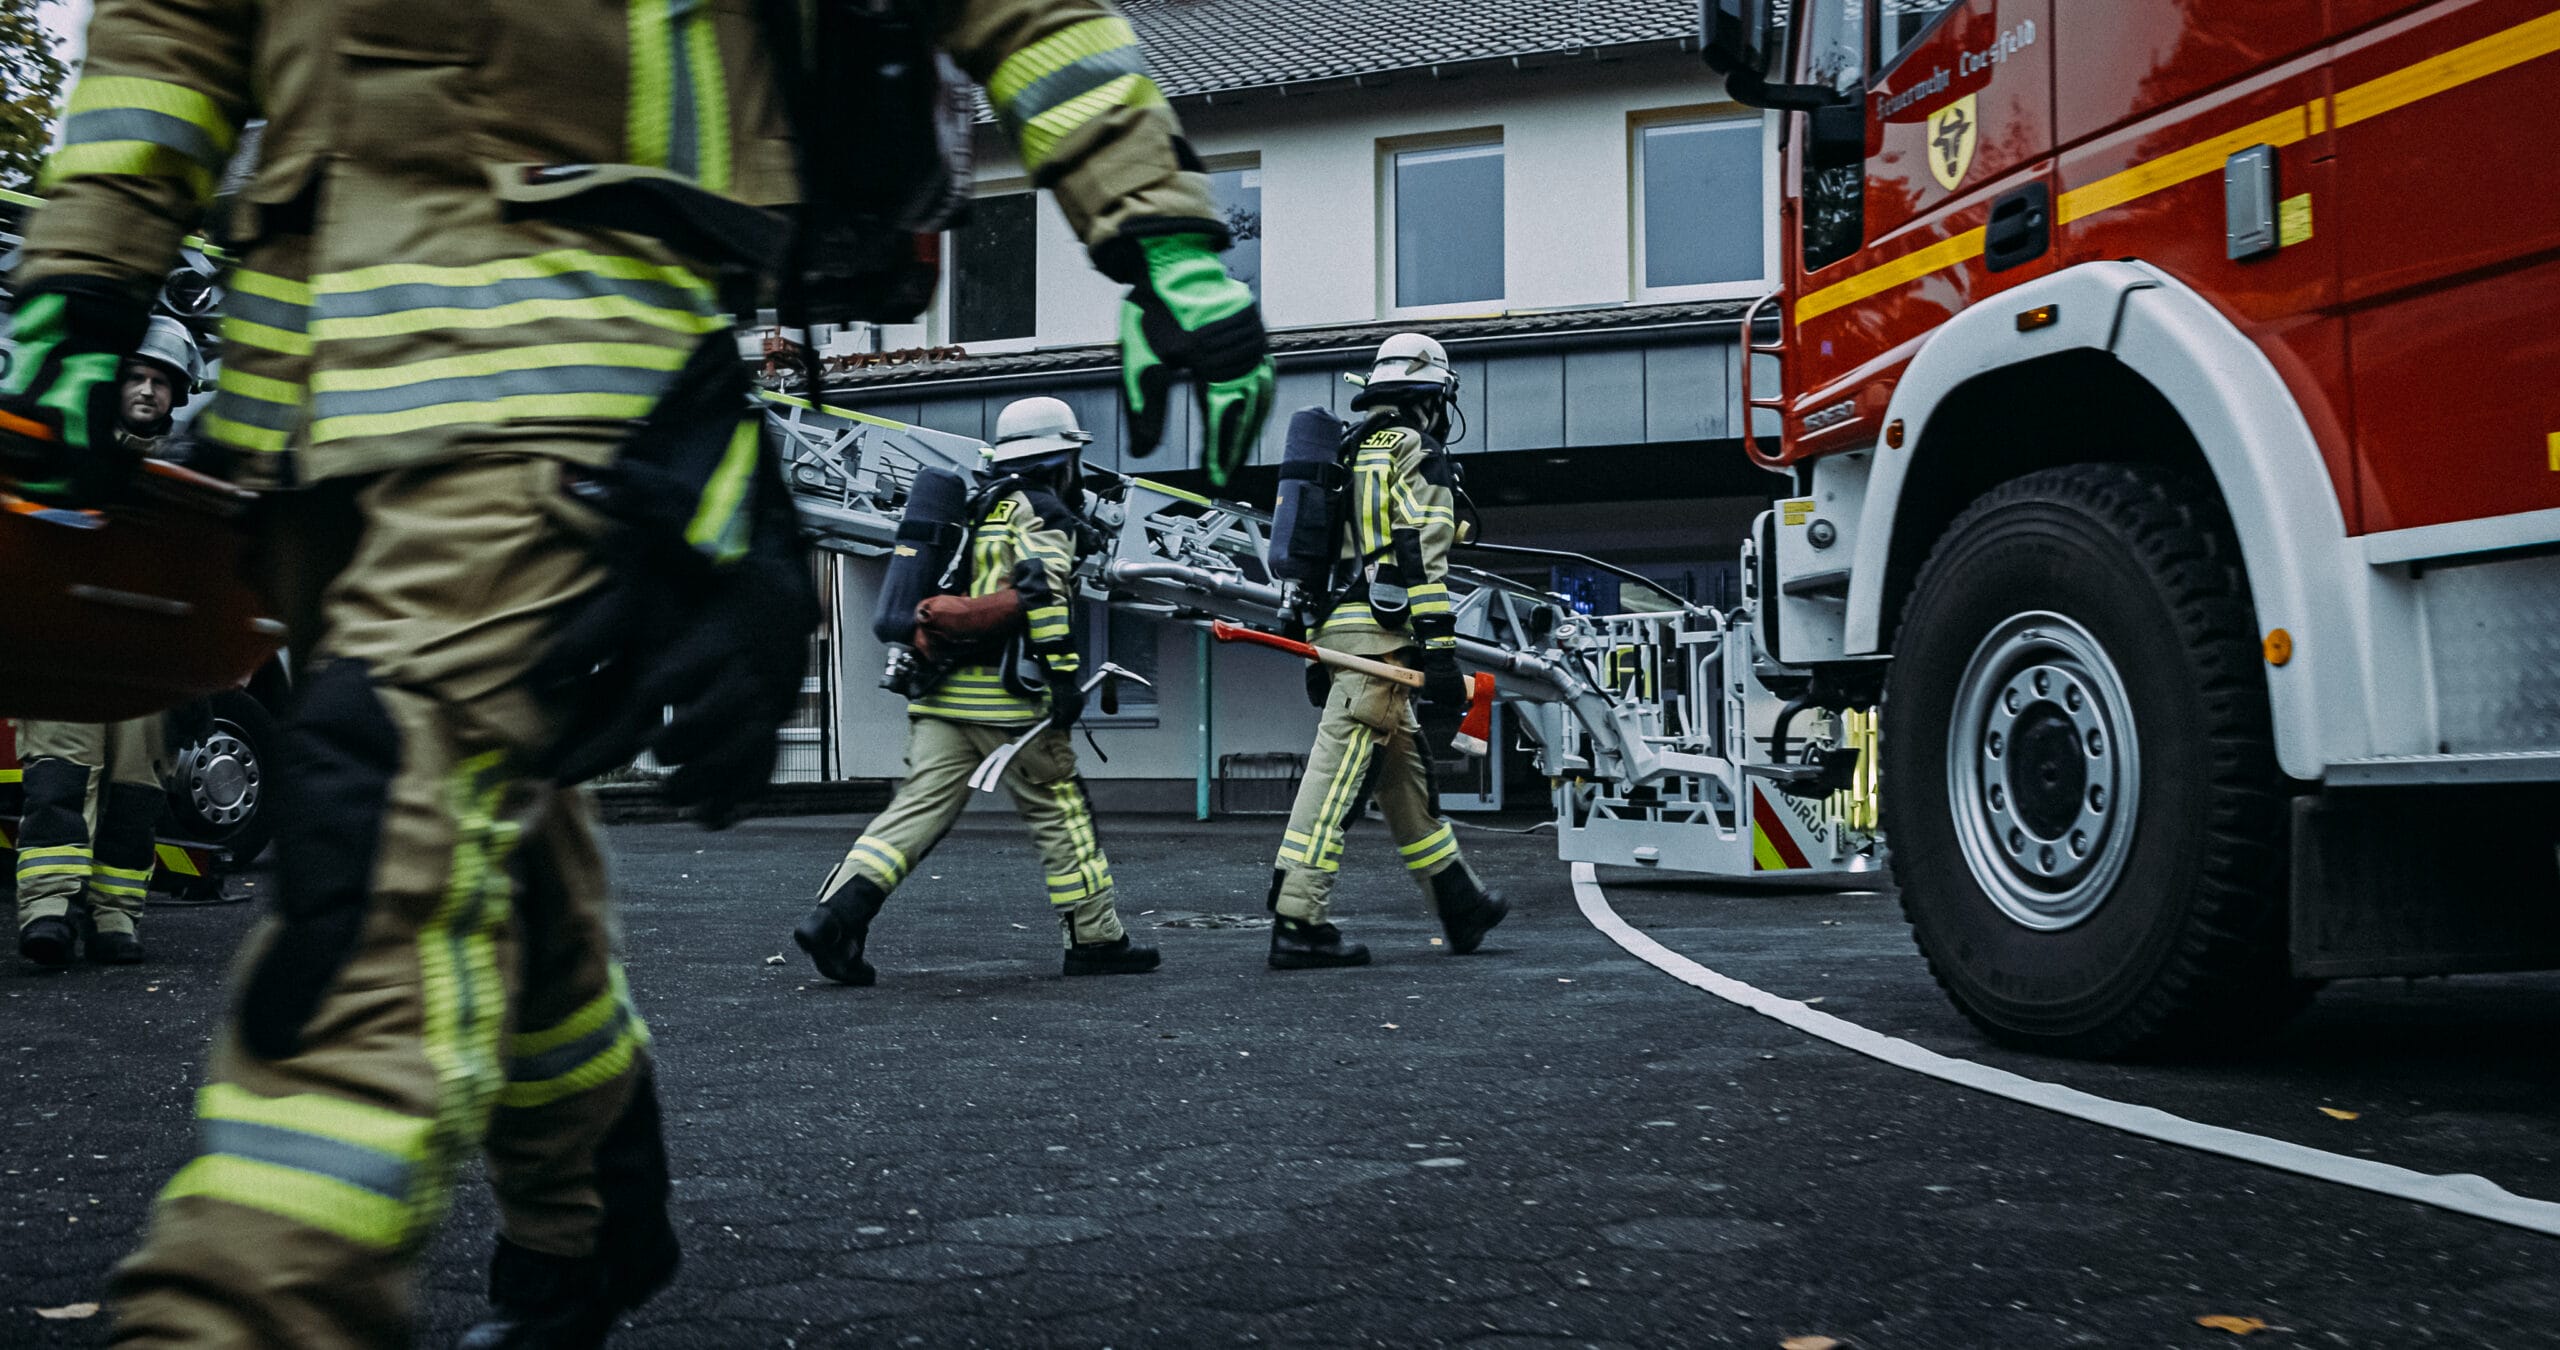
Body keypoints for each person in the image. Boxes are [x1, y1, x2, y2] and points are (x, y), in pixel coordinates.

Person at [0, 2, 1268, 1346]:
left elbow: (1022, 14)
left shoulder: (1006, 510)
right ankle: (594, 1211)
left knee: (386, 855)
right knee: (491, 819)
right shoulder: (1028, 512)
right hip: (322, 418)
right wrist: (87, 273)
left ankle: (238, 1302)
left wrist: (1157, 220)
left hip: (562, 393)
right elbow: (172, 36)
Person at [796, 396, 1161, 984]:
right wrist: (1065, 679)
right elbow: (1044, 597)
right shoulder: (1042, 511)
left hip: (940, 695)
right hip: (1009, 701)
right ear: (1062, 460)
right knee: (1062, 813)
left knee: (911, 816)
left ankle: (836, 917)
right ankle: (1096, 939)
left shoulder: (976, 505)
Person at [1266, 334, 1506, 970]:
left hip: (1341, 629)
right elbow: (1418, 555)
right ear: (1434, 398)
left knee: (1405, 776)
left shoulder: (1346, 450)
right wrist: (1442, 654)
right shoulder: (1416, 450)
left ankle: (1459, 901)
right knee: (1339, 774)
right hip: (1383, 639)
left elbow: (1315, 558)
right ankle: (1298, 917)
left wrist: (1316, 646)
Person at [11, 317, 203, 968]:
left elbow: (203, 587)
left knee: (135, 796)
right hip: (65, 652)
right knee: (58, 786)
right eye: (137, 378)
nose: (148, 391)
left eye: (161, 383)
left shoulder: (186, 481)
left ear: (177, 398)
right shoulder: (66, 450)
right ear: (113, 385)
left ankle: (115, 920)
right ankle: (48, 915)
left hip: (144, 668)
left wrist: (201, 677)